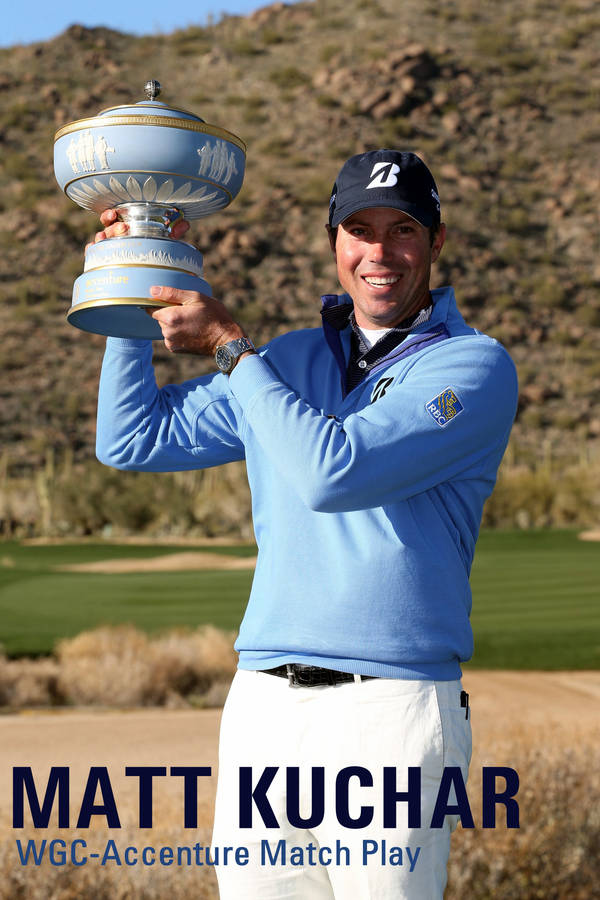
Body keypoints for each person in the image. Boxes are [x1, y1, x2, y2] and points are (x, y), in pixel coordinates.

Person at [95, 149, 518, 899]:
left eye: (403, 230)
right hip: (264, 706)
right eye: (359, 229)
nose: (379, 252)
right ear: (334, 242)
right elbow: (132, 440)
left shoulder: (473, 367)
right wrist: (129, 293)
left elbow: (335, 472)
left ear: (438, 242)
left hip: (393, 707)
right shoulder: (282, 363)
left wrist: (230, 347)